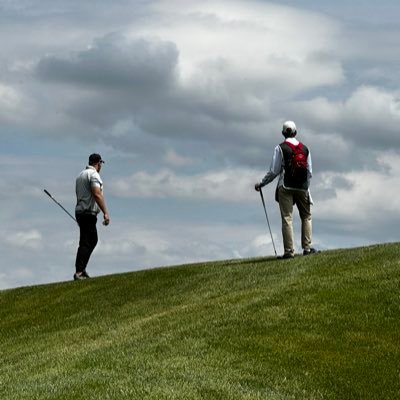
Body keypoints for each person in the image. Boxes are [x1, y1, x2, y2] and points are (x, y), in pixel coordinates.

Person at [255, 121, 317, 259]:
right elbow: (310, 172)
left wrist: (262, 184)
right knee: (306, 216)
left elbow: (274, 171)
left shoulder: (280, 148)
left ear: (283, 133)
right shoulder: (305, 149)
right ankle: (307, 248)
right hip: (302, 187)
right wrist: (305, 187)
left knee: (287, 218)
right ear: (296, 132)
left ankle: (289, 252)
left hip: (286, 186)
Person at [74, 153, 110, 280]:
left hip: (80, 212)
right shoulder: (94, 175)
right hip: (88, 213)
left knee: (91, 240)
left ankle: (81, 269)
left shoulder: (80, 175)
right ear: (98, 163)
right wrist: (105, 212)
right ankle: (79, 272)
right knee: (87, 241)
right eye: (101, 164)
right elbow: (97, 194)